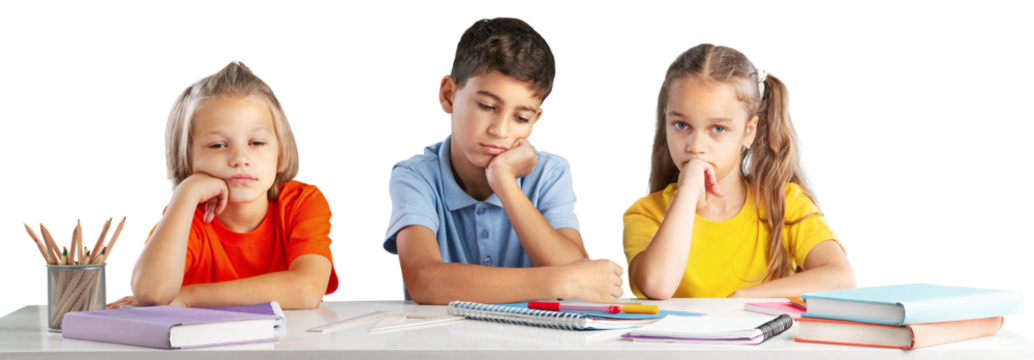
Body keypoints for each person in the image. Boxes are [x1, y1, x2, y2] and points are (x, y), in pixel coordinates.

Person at [381, 16, 625, 304]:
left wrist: (504, 182)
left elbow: (578, 267)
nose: (500, 130)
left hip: (530, 345)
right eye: (486, 106)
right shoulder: (414, 175)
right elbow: (424, 281)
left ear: (535, 120)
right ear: (448, 95)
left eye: (520, 117)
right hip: (445, 346)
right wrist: (560, 281)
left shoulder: (550, 172)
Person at [620, 43, 858, 299]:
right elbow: (657, 285)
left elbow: (842, 277)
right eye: (681, 125)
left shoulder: (784, 203)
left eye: (718, 128)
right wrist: (688, 192)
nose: (696, 146)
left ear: (748, 132)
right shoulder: (644, 214)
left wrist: (743, 299)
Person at [107, 58, 341, 309]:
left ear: (280, 154)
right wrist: (186, 192)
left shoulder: (302, 202)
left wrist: (186, 297)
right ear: (186, 159)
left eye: (257, 143)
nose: (240, 159)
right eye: (218, 145)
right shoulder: (187, 214)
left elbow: (306, 289)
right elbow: (151, 292)